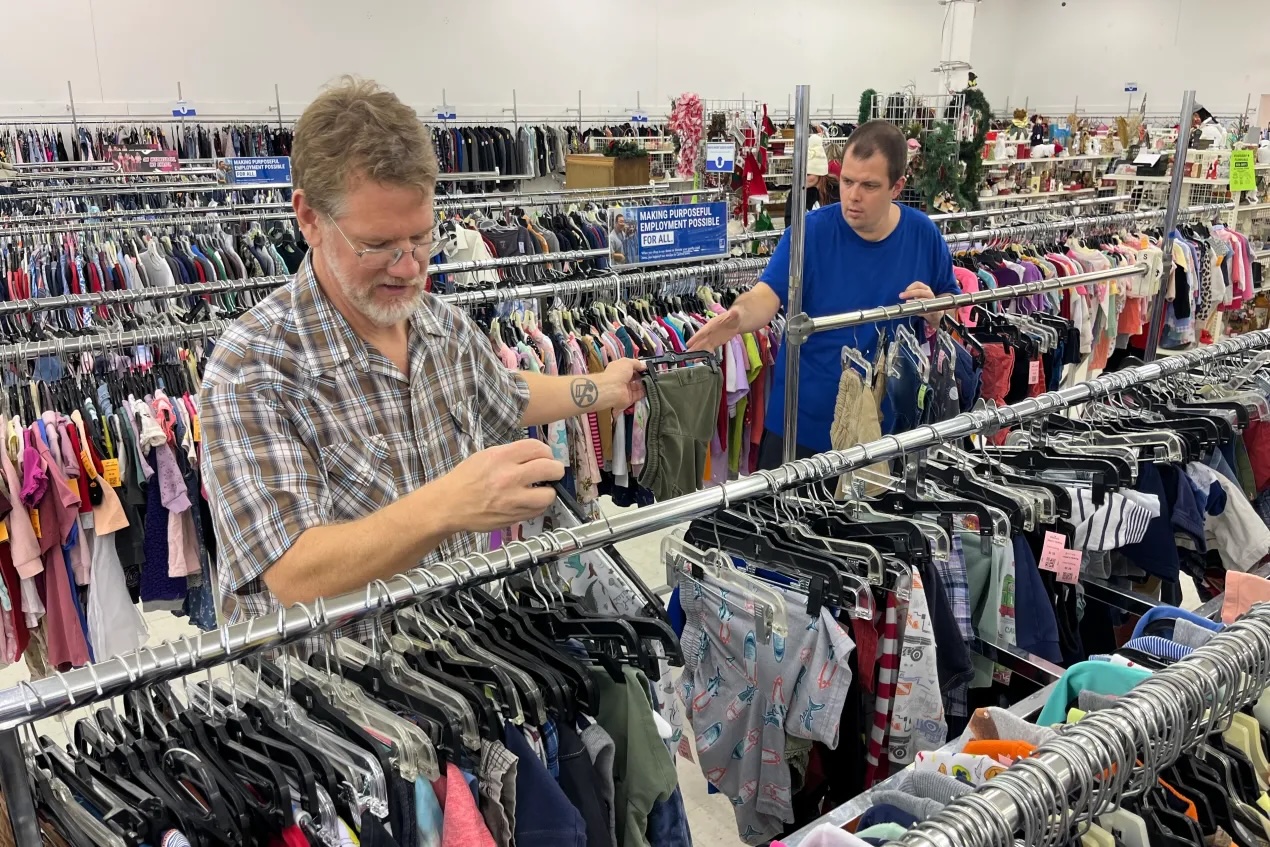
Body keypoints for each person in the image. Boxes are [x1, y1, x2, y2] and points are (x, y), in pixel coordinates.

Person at [200, 77, 646, 637]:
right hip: (331, 681)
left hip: (456, 653)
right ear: (309, 218)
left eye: (421, 239)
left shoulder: (440, 324)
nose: (410, 267)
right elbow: (293, 572)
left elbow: (503, 393)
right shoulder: (253, 367)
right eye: (379, 246)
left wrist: (603, 387)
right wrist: (449, 506)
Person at [688, 120, 958, 466]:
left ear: (897, 187)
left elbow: (952, 311)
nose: (853, 195)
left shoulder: (924, 235)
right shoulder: (808, 233)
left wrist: (937, 313)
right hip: (801, 429)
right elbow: (767, 295)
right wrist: (738, 317)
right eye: (847, 181)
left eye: (869, 185)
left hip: (884, 432)